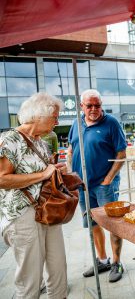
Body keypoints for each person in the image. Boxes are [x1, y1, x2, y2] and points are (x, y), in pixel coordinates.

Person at [0, 92, 68, 298]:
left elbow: (43, 173)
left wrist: (55, 170)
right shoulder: (10, 139)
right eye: (54, 116)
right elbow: (2, 179)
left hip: (47, 210)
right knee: (30, 279)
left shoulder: (41, 142)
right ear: (39, 115)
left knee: (58, 269)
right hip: (23, 215)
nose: (57, 121)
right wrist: (43, 174)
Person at [68, 89, 127, 283]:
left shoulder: (111, 123)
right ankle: (102, 260)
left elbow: (121, 154)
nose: (94, 109)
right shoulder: (76, 123)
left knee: (113, 225)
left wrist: (108, 179)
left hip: (104, 186)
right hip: (82, 185)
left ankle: (117, 262)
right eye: (89, 105)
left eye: (97, 105)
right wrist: (71, 175)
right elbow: (71, 149)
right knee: (92, 224)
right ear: (81, 106)